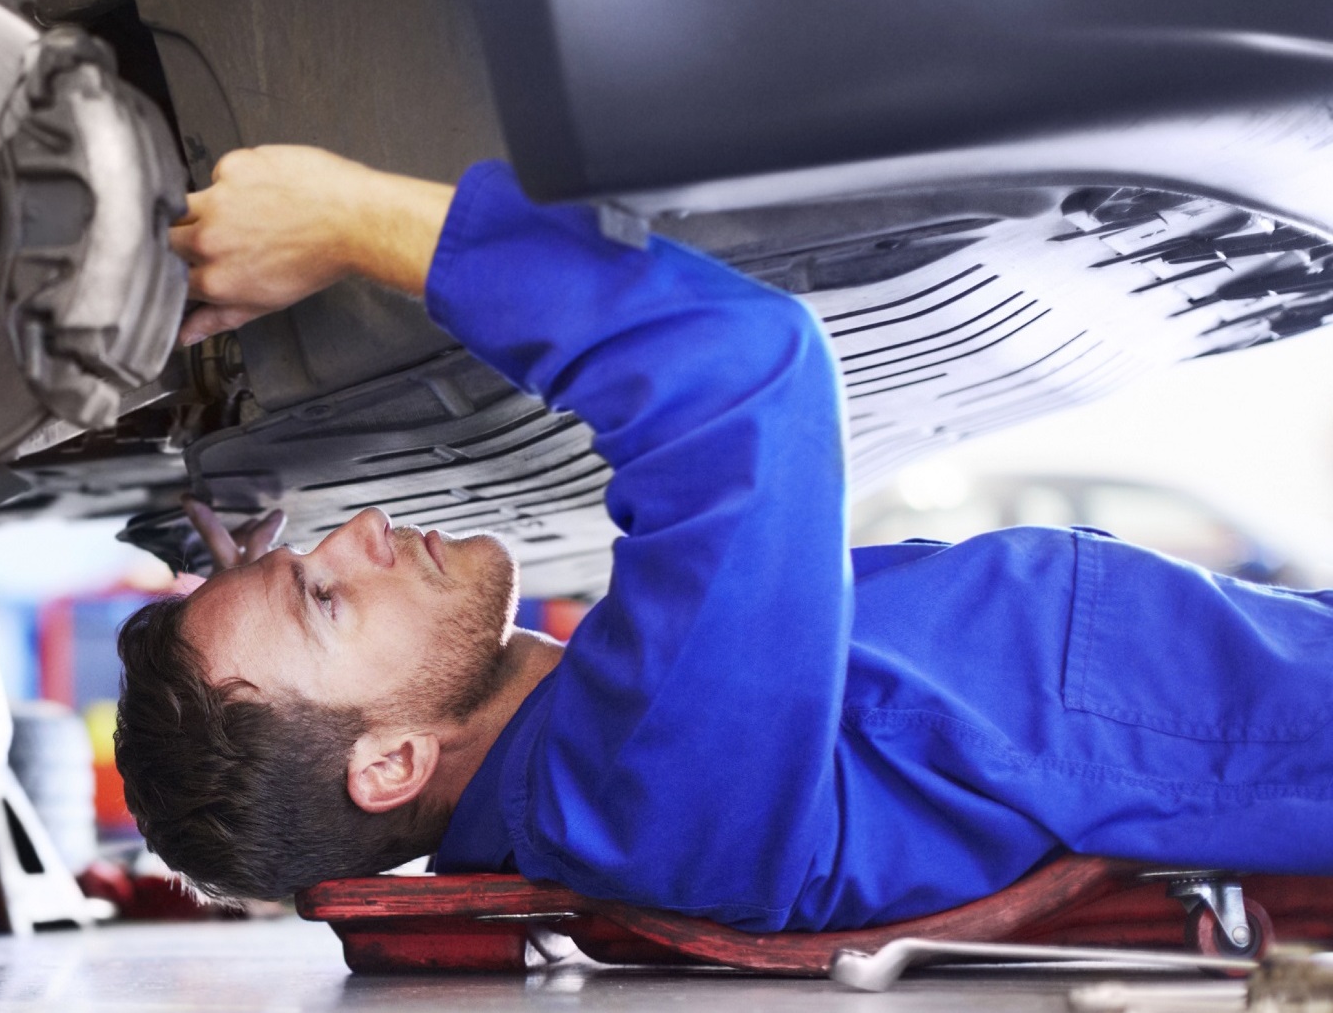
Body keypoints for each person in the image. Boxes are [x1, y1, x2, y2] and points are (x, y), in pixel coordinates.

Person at [116, 145, 1333, 931]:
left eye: (307, 556)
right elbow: (741, 373)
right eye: (324, 596)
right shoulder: (636, 790)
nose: (362, 527)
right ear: (388, 765)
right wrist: (346, 216)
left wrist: (261, 599)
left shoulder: (603, 755)